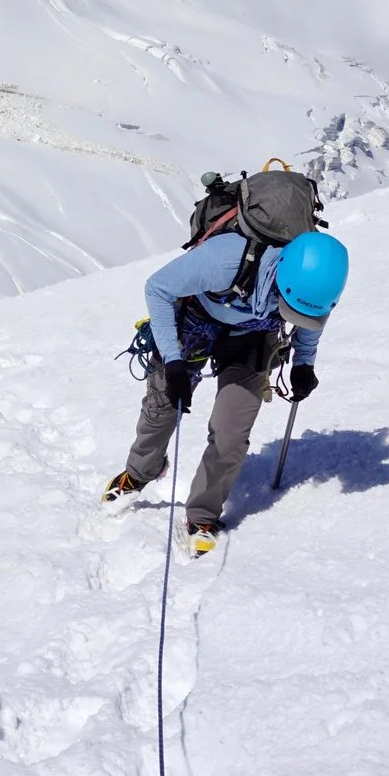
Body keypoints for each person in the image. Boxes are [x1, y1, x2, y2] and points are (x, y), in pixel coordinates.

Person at [104, 225, 349, 549]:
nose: (297, 317)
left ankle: (202, 515)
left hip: (253, 339)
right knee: (163, 407)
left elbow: (311, 320)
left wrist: (304, 363)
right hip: (194, 325)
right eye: (291, 308)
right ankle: (137, 473)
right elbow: (158, 288)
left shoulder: (316, 291)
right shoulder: (226, 261)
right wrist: (174, 361)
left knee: (231, 432)